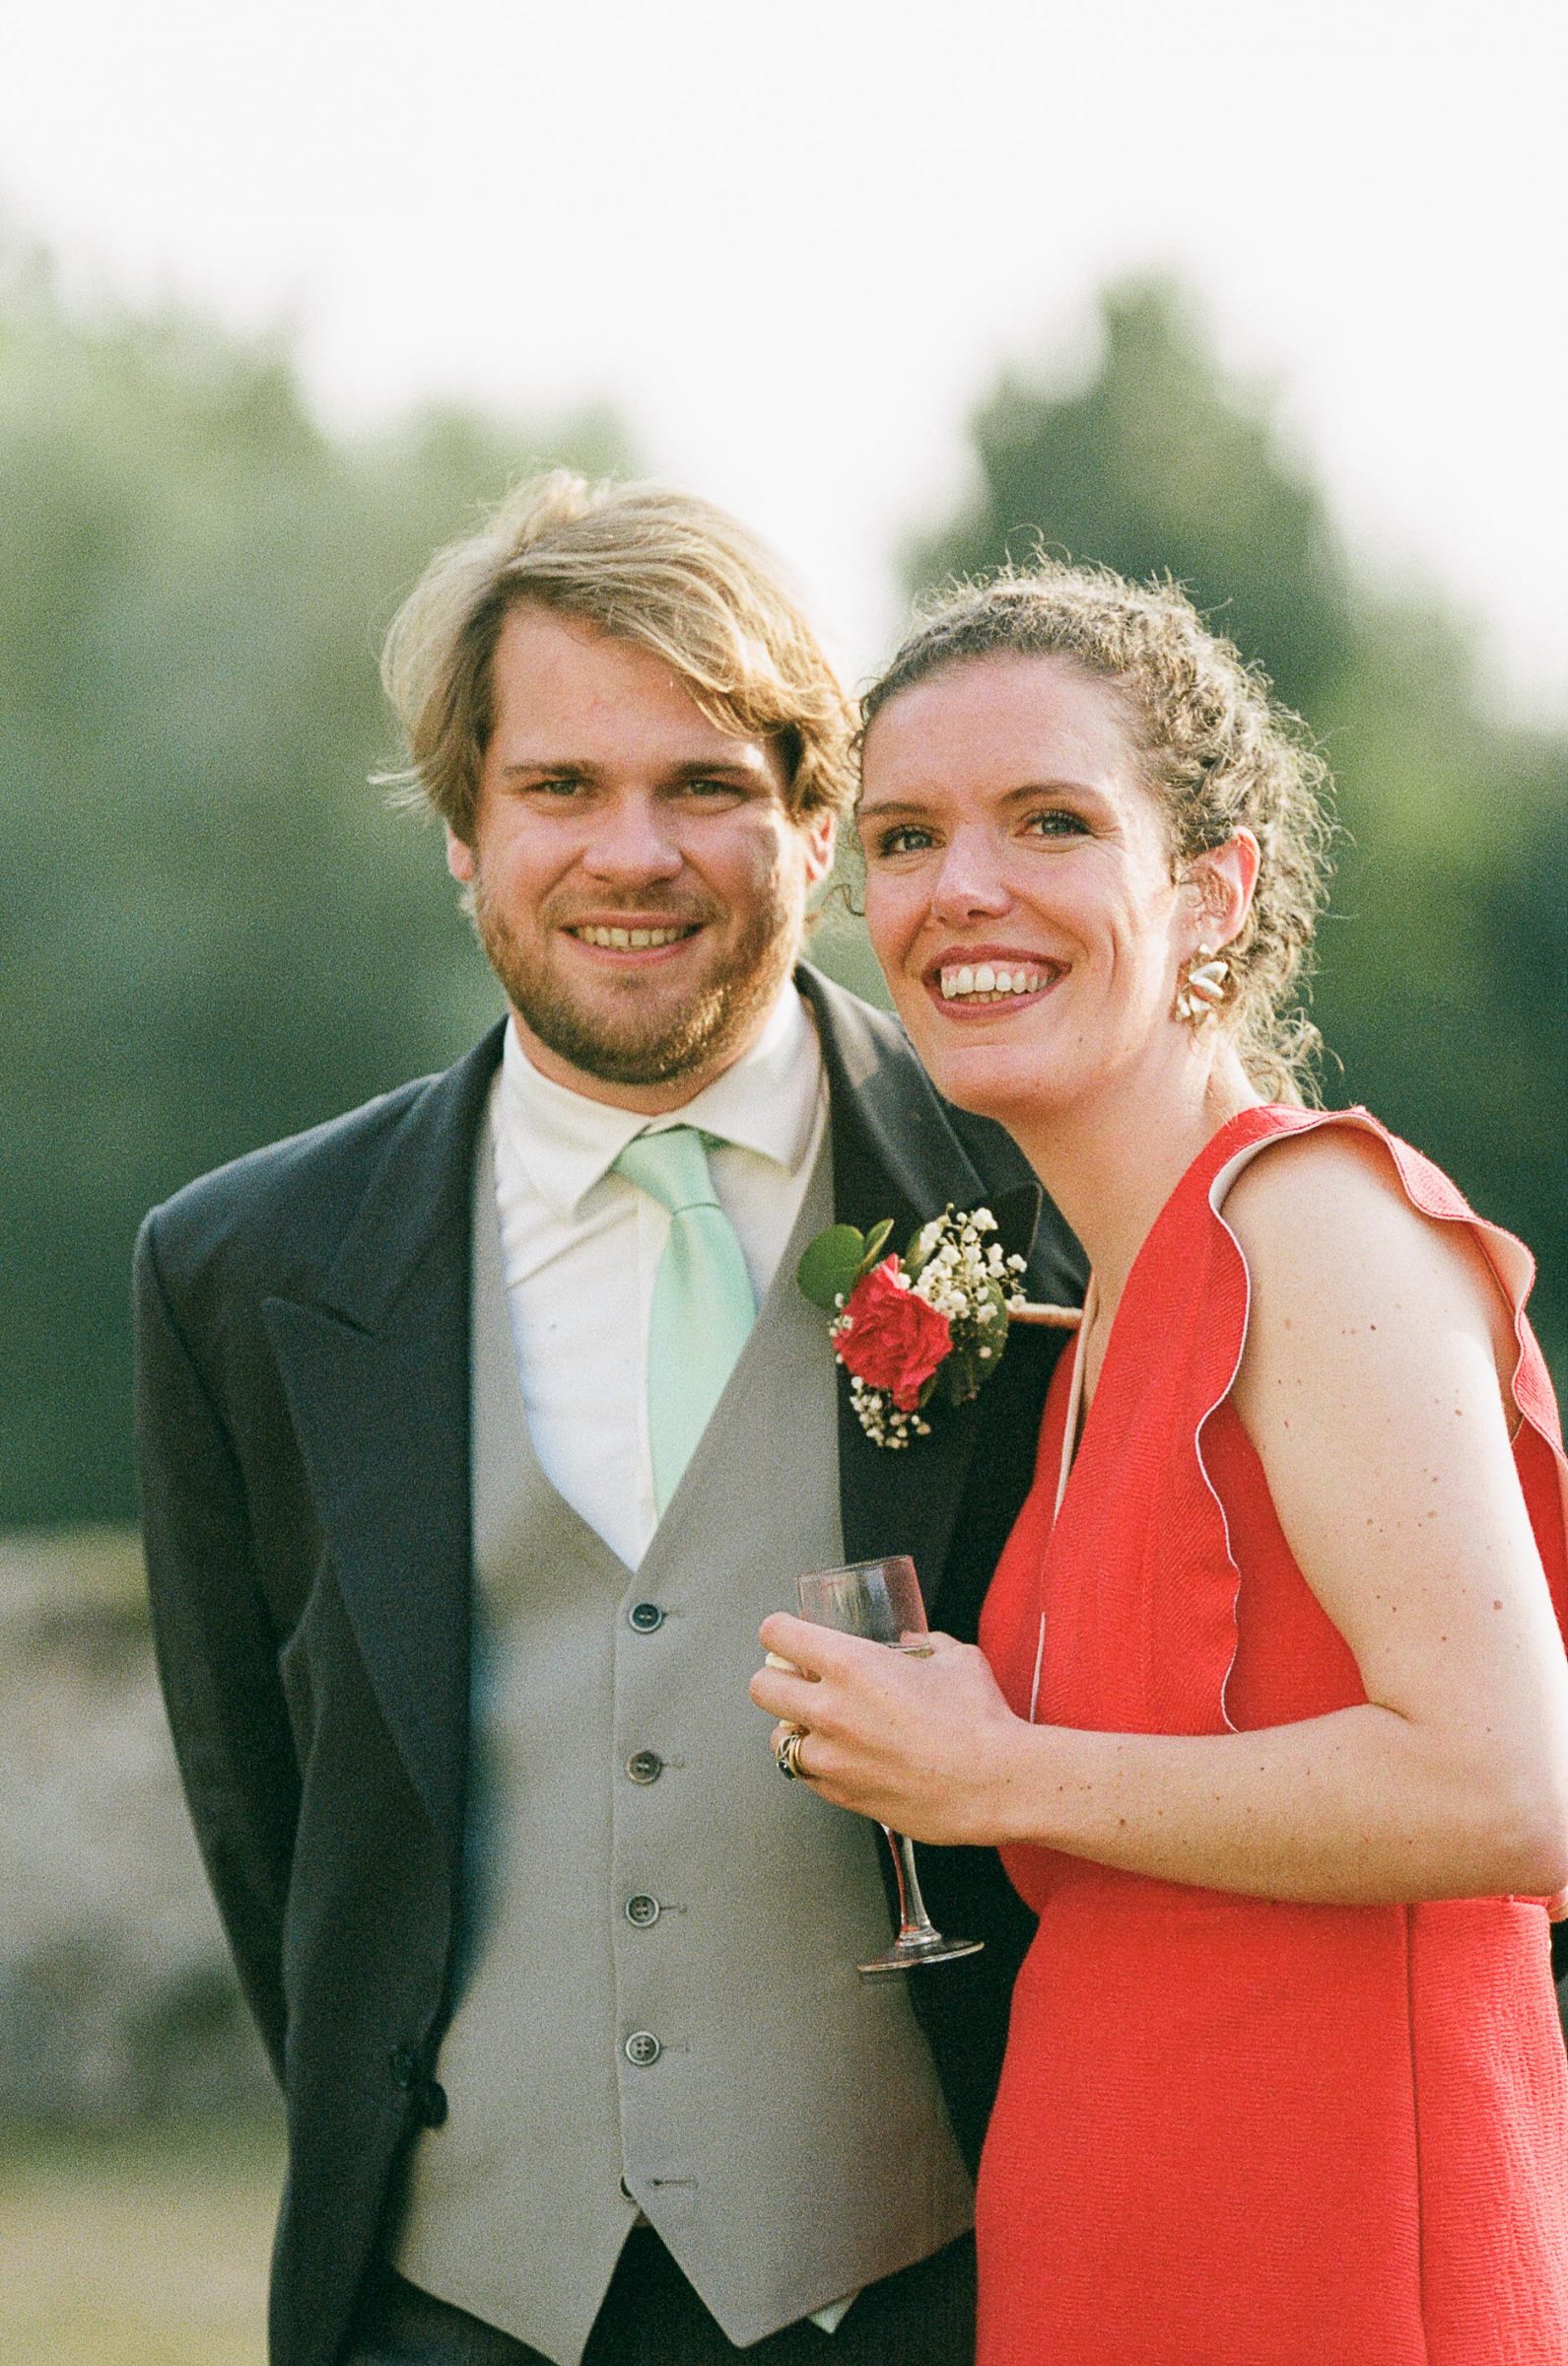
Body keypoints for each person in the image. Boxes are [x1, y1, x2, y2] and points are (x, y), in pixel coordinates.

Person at [134, 475, 1084, 2366]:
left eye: (704, 785)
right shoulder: (243, 1271)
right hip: (447, 2307)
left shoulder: (1048, 1210)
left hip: (940, 2283)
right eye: (559, 787)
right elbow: (273, 1826)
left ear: (813, 821)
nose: (629, 854)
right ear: (465, 833)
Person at [753, 563, 1568, 2365]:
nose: (961, 888)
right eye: (904, 839)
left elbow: (1513, 1785)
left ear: (1214, 888)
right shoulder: (1110, 1302)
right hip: (1115, 2229)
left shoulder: (1314, 1223)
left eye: (1050, 821)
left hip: (1328, 2248)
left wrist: (1000, 1774)